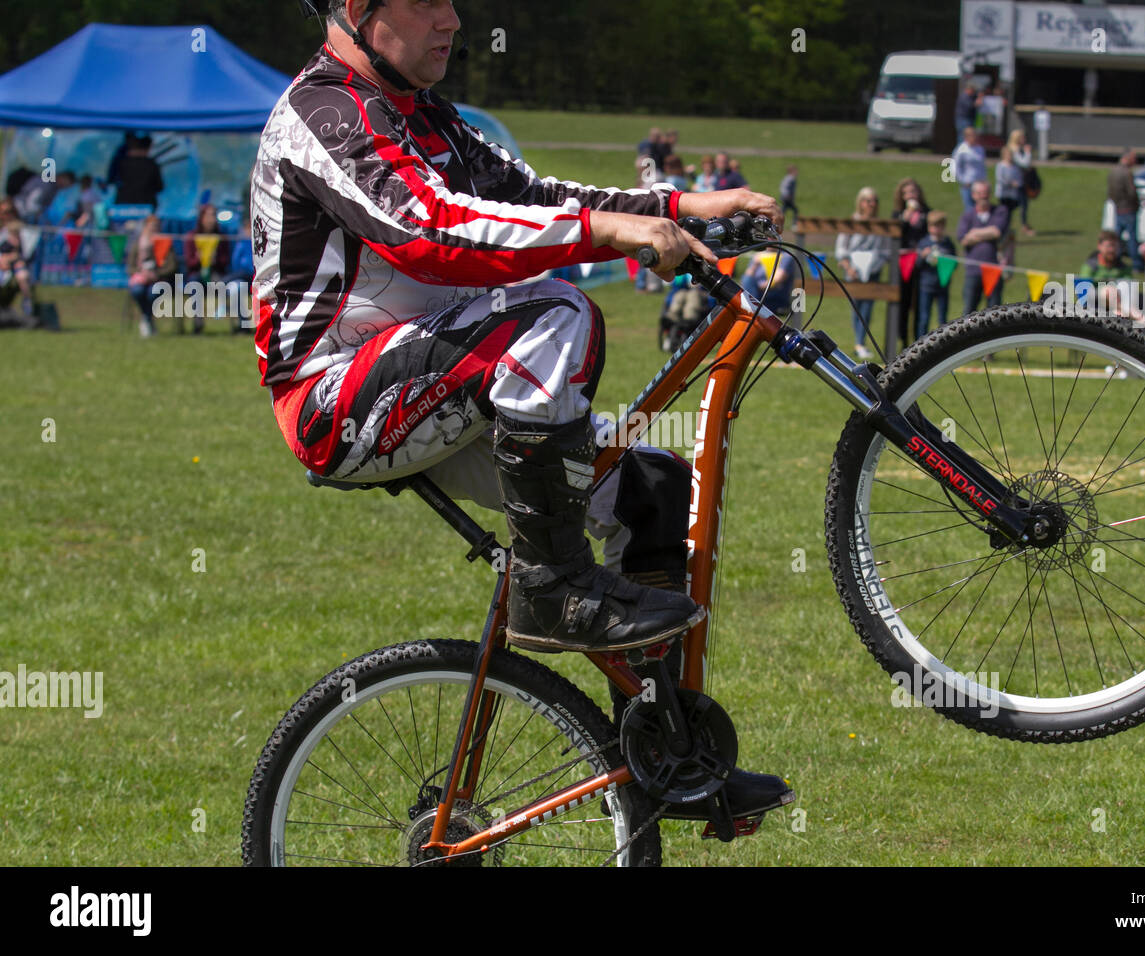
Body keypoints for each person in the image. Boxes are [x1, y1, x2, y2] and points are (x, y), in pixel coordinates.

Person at [259, 0, 792, 818]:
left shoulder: (421, 114)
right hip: (336, 403)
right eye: (428, 1)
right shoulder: (323, 110)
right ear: (359, 9)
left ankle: (663, 757)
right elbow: (427, 230)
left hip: (441, 382)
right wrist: (609, 233)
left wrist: (682, 209)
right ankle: (552, 587)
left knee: (652, 489)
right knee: (554, 312)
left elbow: (534, 193)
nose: (453, 20)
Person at [836, 187, 894, 360]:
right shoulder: (852, 222)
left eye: (874, 200)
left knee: (867, 308)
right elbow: (841, 248)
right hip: (853, 270)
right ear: (861, 202)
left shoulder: (880, 225)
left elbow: (886, 250)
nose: (872, 204)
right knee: (856, 307)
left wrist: (877, 264)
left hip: (873, 271)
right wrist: (848, 267)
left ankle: (860, 342)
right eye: (868, 200)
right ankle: (858, 342)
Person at [956, 180, 1007, 313]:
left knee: (994, 311)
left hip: (994, 270)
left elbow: (996, 231)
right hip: (973, 271)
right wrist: (987, 233)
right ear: (973, 195)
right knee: (968, 311)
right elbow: (963, 240)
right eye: (979, 193)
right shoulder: (967, 216)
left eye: (985, 193)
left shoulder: (1000, 211)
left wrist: (973, 233)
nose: (983, 196)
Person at [183, 203, 232, 334]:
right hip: (197, 274)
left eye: (214, 216)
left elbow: (226, 260)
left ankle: (239, 326)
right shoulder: (192, 236)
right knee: (194, 285)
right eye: (209, 216)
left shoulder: (221, 237)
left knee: (231, 286)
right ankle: (198, 324)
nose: (212, 219)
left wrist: (216, 260)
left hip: (216, 274)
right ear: (202, 218)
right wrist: (197, 259)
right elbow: (188, 262)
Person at [126, 214, 175, 338]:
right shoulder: (138, 244)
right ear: (146, 227)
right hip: (141, 279)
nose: (153, 229)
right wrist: (141, 273)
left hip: (160, 280)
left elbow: (172, 266)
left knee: (153, 293)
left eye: (156, 226)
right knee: (137, 291)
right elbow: (130, 266)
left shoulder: (165, 243)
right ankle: (147, 319)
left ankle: (146, 319)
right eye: (151, 226)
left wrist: (156, 274)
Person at [891, 177, 929, 337]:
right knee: (903, 302)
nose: (910, 195)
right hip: (903, 262)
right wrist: (906, 216)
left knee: (920, 303)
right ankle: (902, 337)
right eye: (906, 193)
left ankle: (919, 337)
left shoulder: (926, 213)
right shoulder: (898, 214)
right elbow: (897, 234)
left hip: (920, 262)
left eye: (913, 192)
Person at [914, 210, 954, 340]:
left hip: (942, 285)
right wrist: (922, 256)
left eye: (939, 226)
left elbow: (954, 263)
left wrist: (945, 260)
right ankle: (920, 343)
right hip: (926, 285)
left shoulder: (947, 243)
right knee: (924, 317)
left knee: (942, 318)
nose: (936, 229)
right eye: (933, 226)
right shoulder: (924, 243)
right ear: (929, 227)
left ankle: (943, 342)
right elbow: (917, 264)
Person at [1108, 148, 1141, 270]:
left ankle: (1115, 259)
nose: (1135, 161)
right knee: (1132, 238)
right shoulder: (1127, 173)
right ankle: (1136, 264)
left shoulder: (1113, 171)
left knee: (1116, 238)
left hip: (1118, 208)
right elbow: (1132, 192)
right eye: (1133, 158)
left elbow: (1110, 191)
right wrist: (1136, 204)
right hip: (1128, 208)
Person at [113, 134, 165, 208]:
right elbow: (159, 187)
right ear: (147, 148)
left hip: (123, 207)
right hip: (147, 207)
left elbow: (113, 180)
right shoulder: (152, 164)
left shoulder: (121, 163)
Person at [0, 219, 36, 317]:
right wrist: (10, 257)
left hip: (16, 269)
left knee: (23, 276)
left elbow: (25, 259)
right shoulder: (5, 244)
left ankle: (27, 300)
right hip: (5, 270)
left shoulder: (23, 245)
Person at [1007, 128, 1036, 236]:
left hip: (1021, 181)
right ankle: (1018, 225)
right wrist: (1028, 153)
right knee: (1015, 205)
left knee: (1023, 204)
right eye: (1022, 137)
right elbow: (1024, 164)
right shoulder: (1014, 150)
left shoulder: (1019, 149)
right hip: (1014, 182)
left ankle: (1023, 225)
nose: (1024, 139)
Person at [952, 126, 986, 211]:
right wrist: (962, 180)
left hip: (979, 183)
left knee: (980, 209)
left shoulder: (980, 149)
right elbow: (955, 166)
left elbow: (982, 166)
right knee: (970, 209)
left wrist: (984, 180)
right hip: (968, 183)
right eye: (971, 135)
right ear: (966, 137)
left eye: (975, 135)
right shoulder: (962, 149)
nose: (974, 137)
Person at [994, 145, 1023, 221]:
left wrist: (1018, 183)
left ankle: (1007, 226)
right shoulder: (1000, 166)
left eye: (1011, 155)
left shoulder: (1015, 166)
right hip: (1003, 192)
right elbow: (999, 178)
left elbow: (1019, 177)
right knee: (1004, 210)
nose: (1009, 157)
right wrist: (1010, 183)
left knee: (1010, 211)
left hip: (1013, 193)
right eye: (1008, 155)